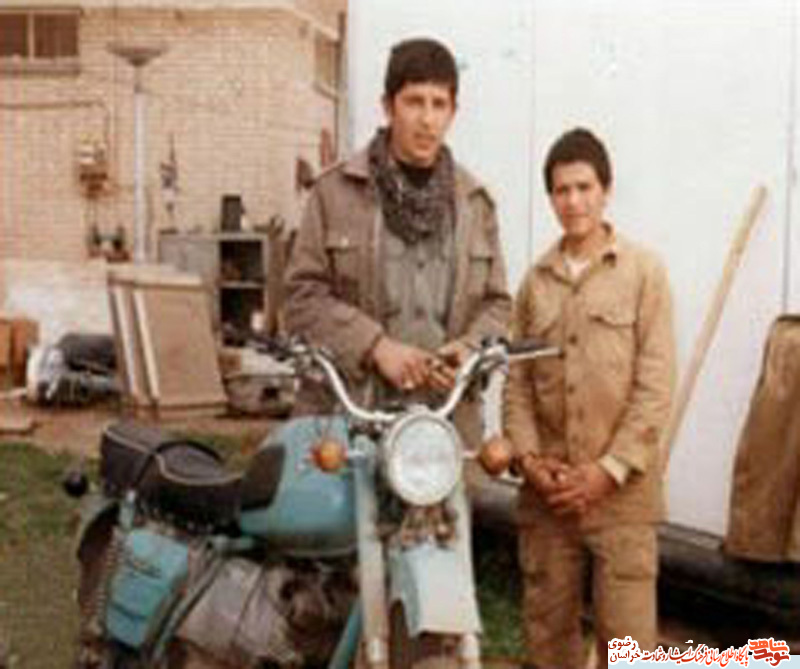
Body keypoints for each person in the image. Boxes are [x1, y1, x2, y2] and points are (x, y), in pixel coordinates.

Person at [503, 128, 676, 668]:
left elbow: (656, 385)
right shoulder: (535, 283)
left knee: (628, 650)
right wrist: (531, 463)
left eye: (584, 187)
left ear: (606, 190)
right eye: (562, 190)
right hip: (549, 500)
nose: (573, 202)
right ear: (550, 197)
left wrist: (608, 470)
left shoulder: (644, 273)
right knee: (548, 644)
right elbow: (517, 384)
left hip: (622, 500)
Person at [284, 37, 511, 448]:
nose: (427, 119)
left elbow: (498, 306)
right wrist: (374, 347)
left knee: (480, 491)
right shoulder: (334, 193)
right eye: (414, 102)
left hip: (443, 430)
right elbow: (301, 298)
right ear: (388, 106)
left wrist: (466, 351)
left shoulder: (476, 204)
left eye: (439, 104)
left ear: (453, 112)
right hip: (349, 423)